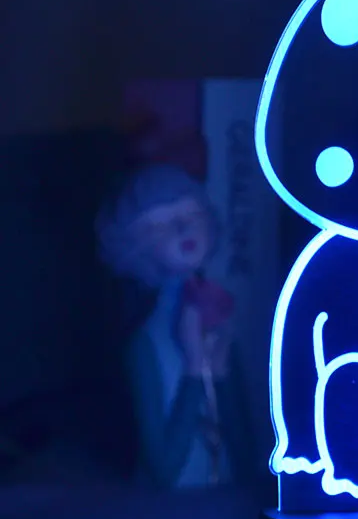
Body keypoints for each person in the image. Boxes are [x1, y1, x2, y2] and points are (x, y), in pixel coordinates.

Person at [95, 164, 258, 489]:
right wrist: (195, 369)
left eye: (192, 215)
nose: (184, 228)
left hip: (225, 507)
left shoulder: (219, 321)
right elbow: (164, 473)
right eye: (160, 225)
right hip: (167, 514)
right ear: (134, 244)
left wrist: (221, 370)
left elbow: (248, 462)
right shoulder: (144, 346)